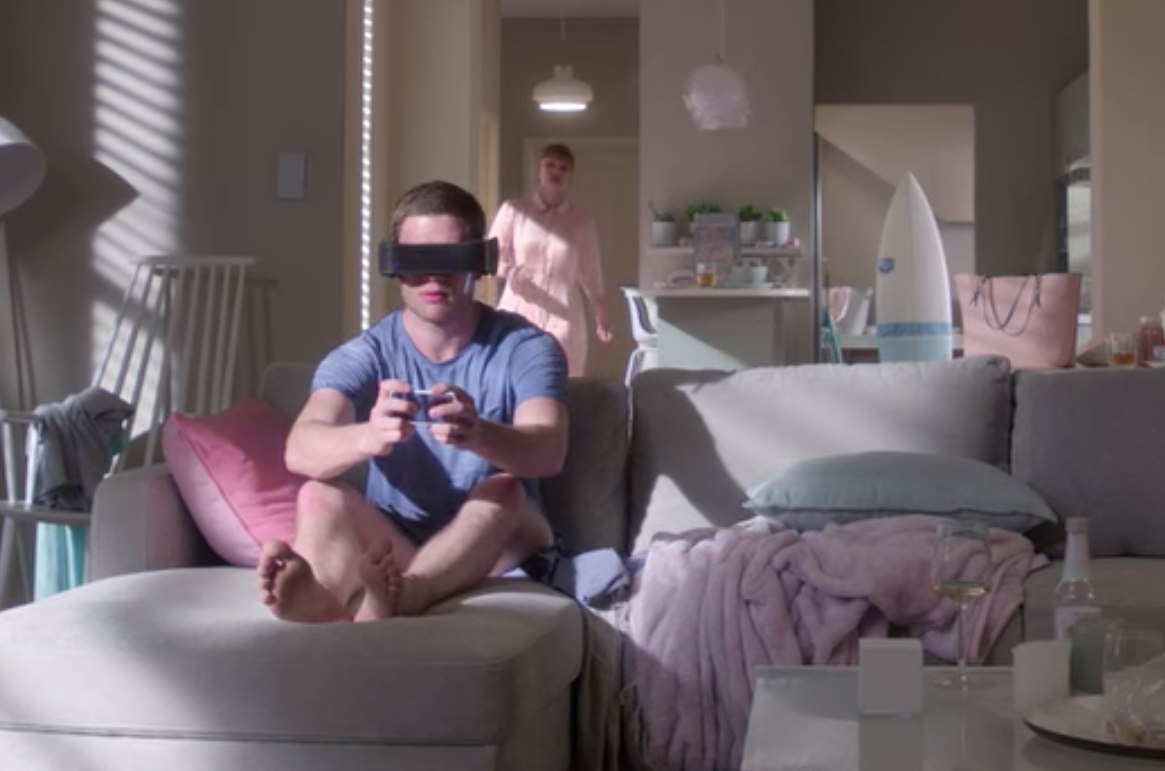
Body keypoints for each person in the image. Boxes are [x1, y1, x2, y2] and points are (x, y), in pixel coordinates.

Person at [257, 180, 569, 623]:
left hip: (502, 541)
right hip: (397, 545)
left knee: (503, 488)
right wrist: (369, 436)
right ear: (396, 266)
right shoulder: (366, 354)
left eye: (449, 260)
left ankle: (405, 597)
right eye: (418, 262)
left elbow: (548, 450)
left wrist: (479, 434)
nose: (434, 278)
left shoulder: (526, 347)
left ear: (478, 264)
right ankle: (321, 602)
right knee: (317, 495)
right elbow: (301, 450)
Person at [488, 143, 613, 377]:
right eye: (550, 165)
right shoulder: (514, 210)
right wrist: (508, 272)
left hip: (563, 314)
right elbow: (492, 257)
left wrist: (601, 314)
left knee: (561, 378)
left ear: (570, 176)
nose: (556, 171)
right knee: (513, 374)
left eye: (563, 168)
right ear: (539, 170)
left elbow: (591, 272)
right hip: (519, 306)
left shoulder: (581, 221)